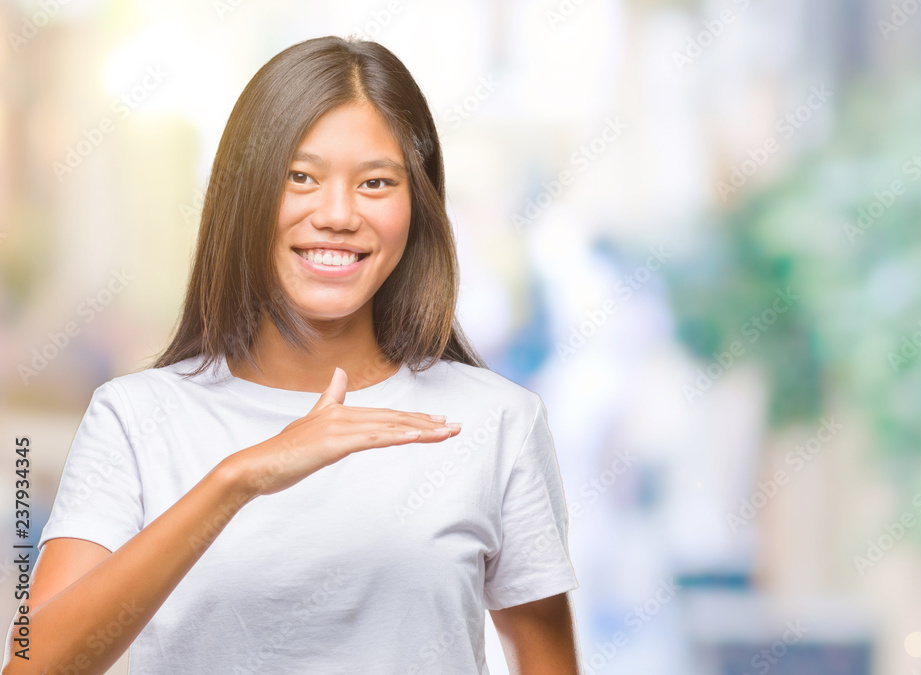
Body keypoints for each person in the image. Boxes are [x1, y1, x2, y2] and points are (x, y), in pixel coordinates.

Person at [3, 36, 580, 674]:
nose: (337, 214)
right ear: (243, 194)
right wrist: (239, 479)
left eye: (376, 182)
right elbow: (34, 665)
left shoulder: (497, 421)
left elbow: (546, 661)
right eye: (300, 177)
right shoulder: (134, 418)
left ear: (416, 204)